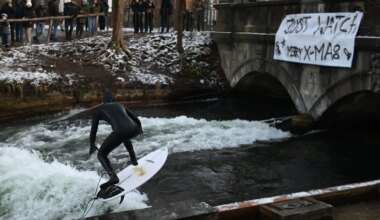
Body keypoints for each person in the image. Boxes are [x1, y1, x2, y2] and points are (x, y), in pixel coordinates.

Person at [89, 90, 143, 189]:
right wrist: (139, 128)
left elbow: (94, 130)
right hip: (134, 129)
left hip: (120, 131)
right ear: (113, 99)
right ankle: (133, 158)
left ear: (103, 100)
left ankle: (113, 176)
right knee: (124, 136)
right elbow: (136, 119)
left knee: (101, 154)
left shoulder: (99, 110)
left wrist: (92, 143)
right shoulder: (120, 105)